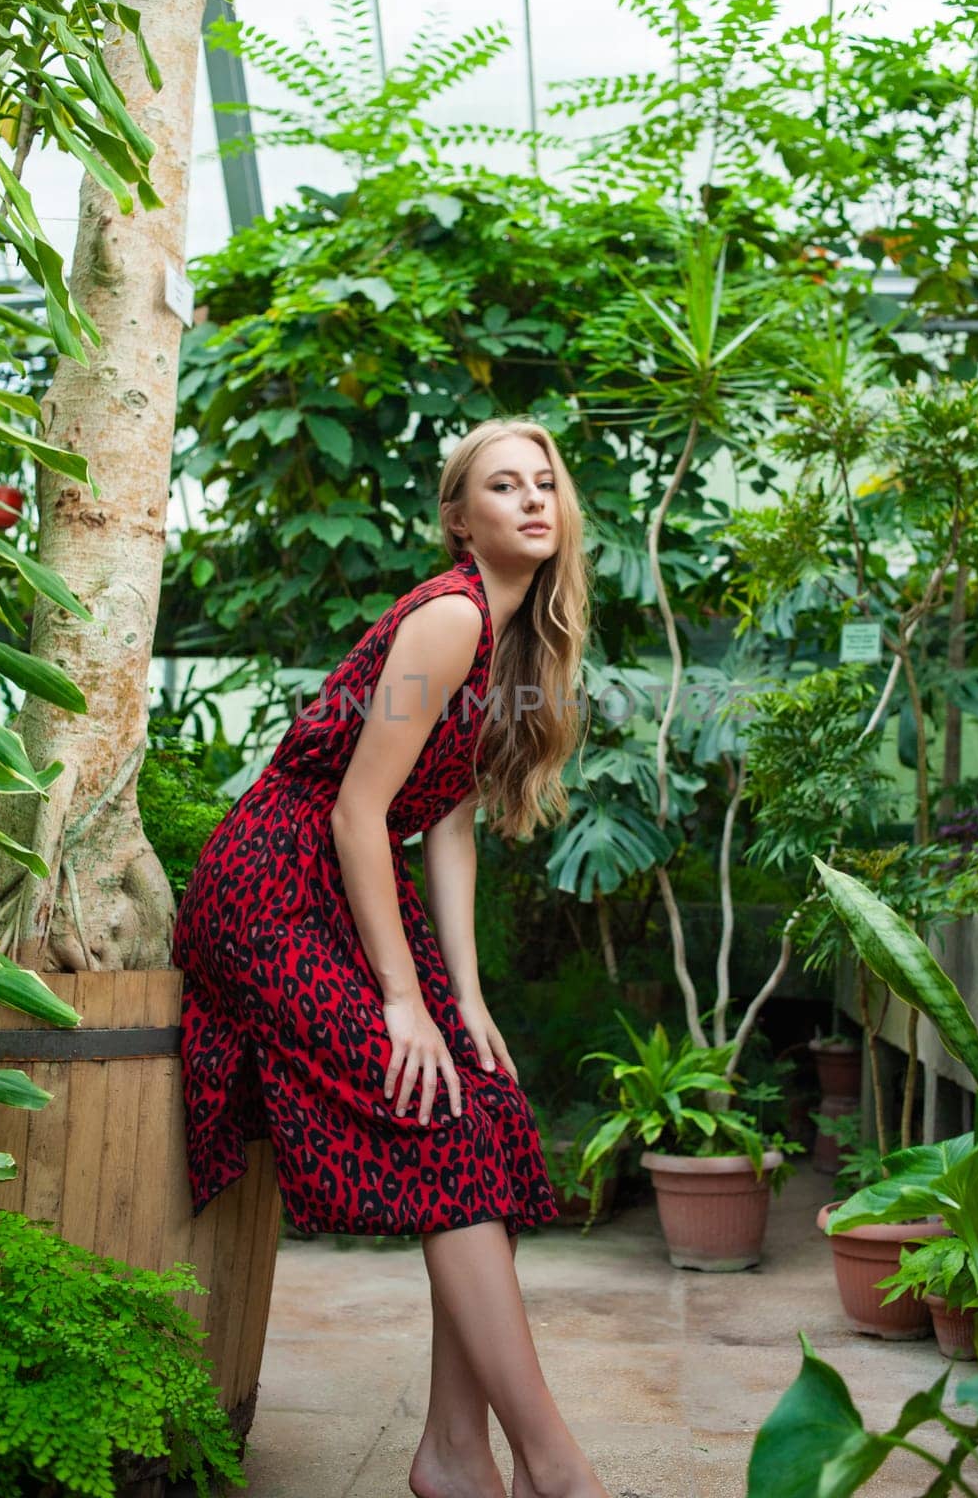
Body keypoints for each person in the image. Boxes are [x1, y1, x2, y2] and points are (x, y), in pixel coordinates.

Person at [173, 417, 612, 1498]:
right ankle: (555, 1471)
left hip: (341, 887)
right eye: (502, 486)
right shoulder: (452, 615)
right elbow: (359, 812)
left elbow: (446, 819)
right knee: (437, 1115)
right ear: (461, 518)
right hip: (273, 887)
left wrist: (462, 998)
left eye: (543, 482)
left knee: (492, 1116)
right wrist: (406, 1004)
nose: (531, 500)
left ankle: (456, 1456)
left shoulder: (508, 640)